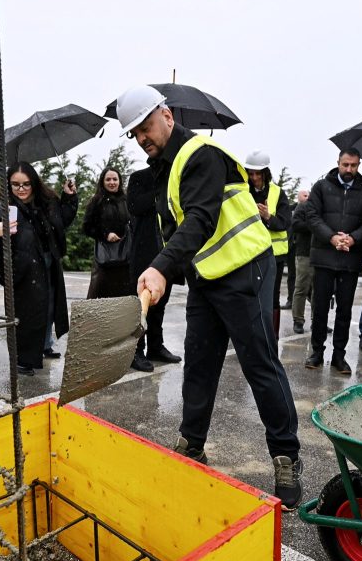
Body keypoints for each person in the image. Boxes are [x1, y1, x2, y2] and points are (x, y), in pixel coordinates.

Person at [118, 85, 302, 507]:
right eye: (135, 134)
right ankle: (193, 444)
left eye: (146, 126)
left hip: (246, 270)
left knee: (259, 363)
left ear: (165, 115)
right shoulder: (163, 167)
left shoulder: (201, 154)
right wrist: (165, 270)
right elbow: (176, 227)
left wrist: (161, 267)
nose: (143, 137)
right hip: (207, 277)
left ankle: (286, 455)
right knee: (199, 362)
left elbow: (201, 218)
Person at [0, 162, 77, 375]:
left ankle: (43, 345)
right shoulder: (3, 209)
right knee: (25, 315)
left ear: (34, 183)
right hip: (21, 270)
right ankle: (23, 359)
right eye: (15, 184)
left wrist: (69, 198)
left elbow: (61, 222)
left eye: (26, 184)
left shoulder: (46, 202)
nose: (21, 189)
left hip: (47, 264)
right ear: (8, 185)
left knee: (49, 308)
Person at [302, 147, 362, 375]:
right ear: (338, 162)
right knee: (320, 309)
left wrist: (353, 239)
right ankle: (316, 351)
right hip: (324, 258)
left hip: (349, 261)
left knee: (344, 311)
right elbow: (312, 216)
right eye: (345, 165)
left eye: (353, 165)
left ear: (359, 165)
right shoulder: (322, 187)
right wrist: (332, 237)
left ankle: (339, 356)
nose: (349, 169)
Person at [127, 163, 182, 372]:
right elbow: (134, 205)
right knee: (141, 306)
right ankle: (136, 351)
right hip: (145, 253)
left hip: (168, 253)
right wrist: (159, 190)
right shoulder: (139, 177)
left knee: (161, 304)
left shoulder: (177, 177)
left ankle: (156, 347)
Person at [244, 150, 292, 334]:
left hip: (274, 255)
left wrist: (267, 217)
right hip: (248, 254)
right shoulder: (243, 192)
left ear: (265, 173)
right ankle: (252, 333)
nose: (254, 177)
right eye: (251, 173)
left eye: (258, 173)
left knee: (272, 297)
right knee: (249, 294)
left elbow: (285, 223)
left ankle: (272, 338)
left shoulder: (278, 193)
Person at [83, 166, 133, 302]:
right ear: (102, 182)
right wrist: (105, 234)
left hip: (125, 261)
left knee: (124, 302)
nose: (112, 182)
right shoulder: (96, 201)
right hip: (104, 261)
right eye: (108, 179)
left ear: (120, 181)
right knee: (100, 301)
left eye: (115, 179)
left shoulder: (127, 200)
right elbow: (87, 227)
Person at [290, 190, 312, 334]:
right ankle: (298, 320)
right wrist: (314, 225)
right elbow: (296, 224)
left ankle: (317, 321)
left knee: (319, 291)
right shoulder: (302, 207)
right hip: (304, 253)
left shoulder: (321, 207)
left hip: (320, 254)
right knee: (301, 288)